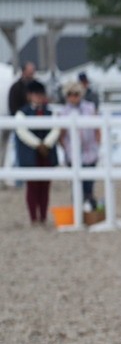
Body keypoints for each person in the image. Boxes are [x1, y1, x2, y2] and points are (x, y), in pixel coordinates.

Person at [14, 80, 60, 225]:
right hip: (31, 153)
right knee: (32, 186)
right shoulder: (22, 112)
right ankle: (34, 216)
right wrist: (37, 144)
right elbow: (22, 131)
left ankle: (43, 215)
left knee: (45, 186)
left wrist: (46, 144)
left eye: (40, 94)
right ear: (29, 96)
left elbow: (56, 128)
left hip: (46, 151)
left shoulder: (50, 111)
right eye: (36, 94)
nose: (39, 97)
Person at [58, 80, 102, 210]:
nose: (73, 97)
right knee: (76, 185)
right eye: (70, 94)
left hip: (90, 152)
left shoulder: (89, 108)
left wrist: (97, 145)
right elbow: (61, 134)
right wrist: (66, 149)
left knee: (89, 185)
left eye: (76, 94)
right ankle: (78, 211)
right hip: (72, 153)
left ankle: (90, 211)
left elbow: (97, 129)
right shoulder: (64, 112)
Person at [4, 62, 39, 188]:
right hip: (20, 125)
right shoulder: (16, 87)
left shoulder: (35, 86)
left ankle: (34, 179)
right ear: (24, 71)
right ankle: (20, 180)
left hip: (35, 126)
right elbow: (13, 106)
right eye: (30, 71)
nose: (32, 73)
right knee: (19, 152)